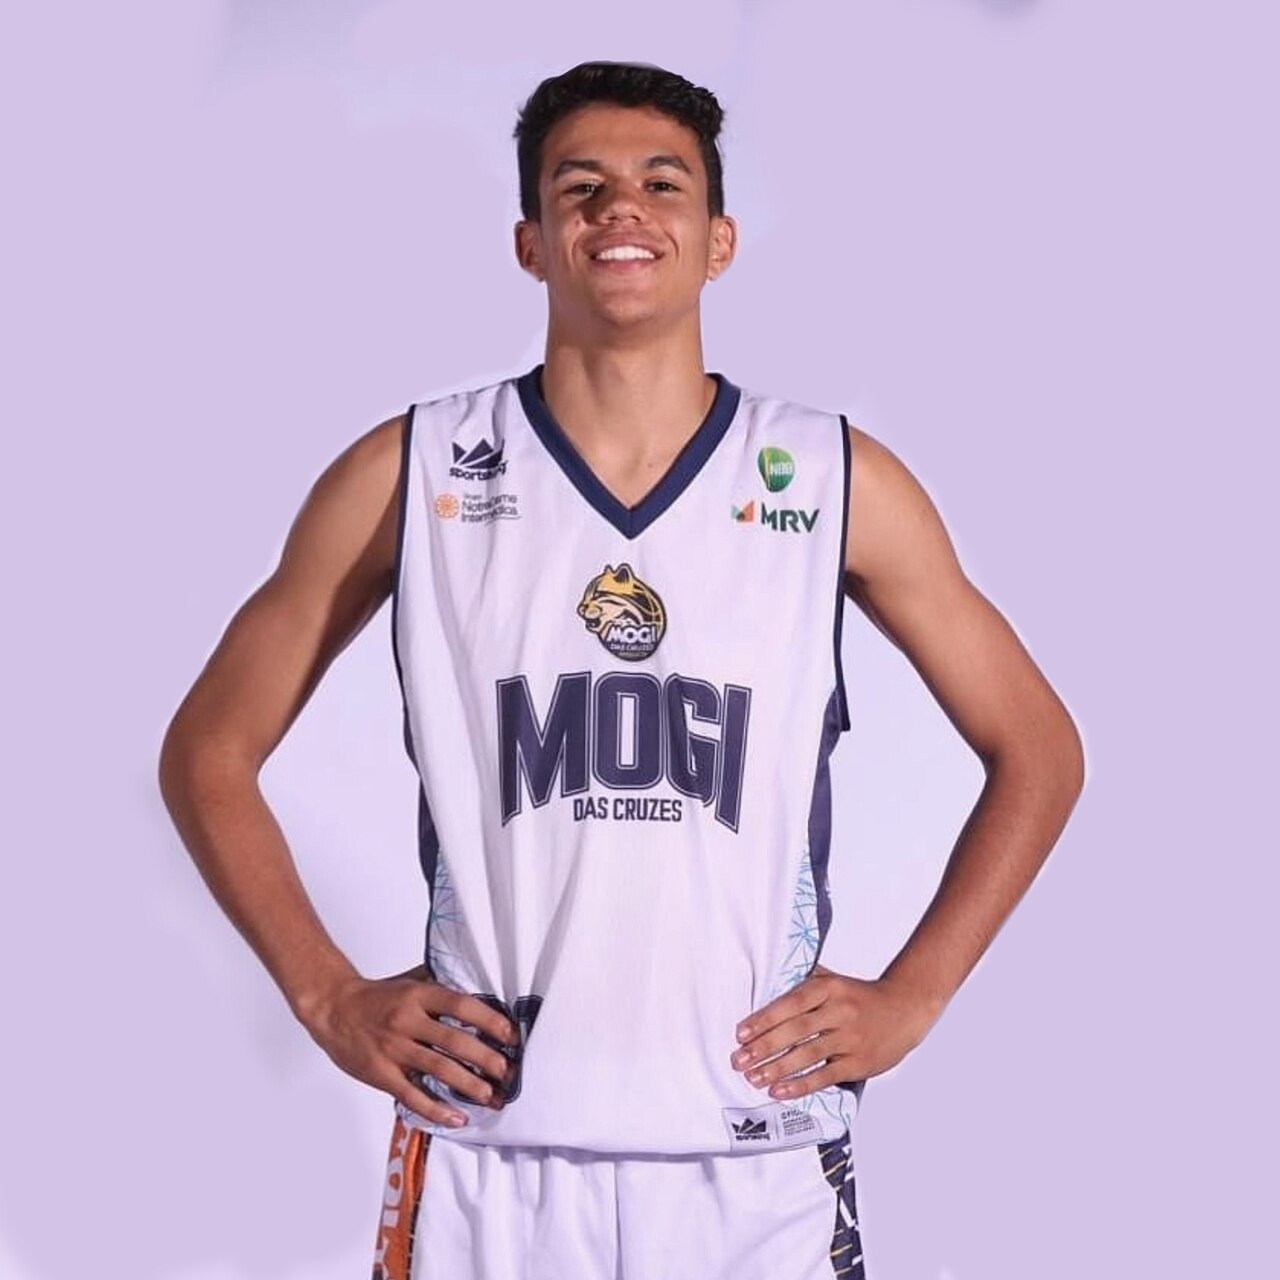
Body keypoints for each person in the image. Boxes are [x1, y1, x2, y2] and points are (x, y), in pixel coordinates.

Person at [158, 59, 1085, 1280]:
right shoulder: (414, 468)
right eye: (578, 187)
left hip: (754, 1154)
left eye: (661, 182)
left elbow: (1037, 747)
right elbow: (209, 748)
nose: (619, 210)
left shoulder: (828, 477)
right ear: (530, 242)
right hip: (487, 1148)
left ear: (718, 239)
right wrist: (324, 993)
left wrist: (914, 994)